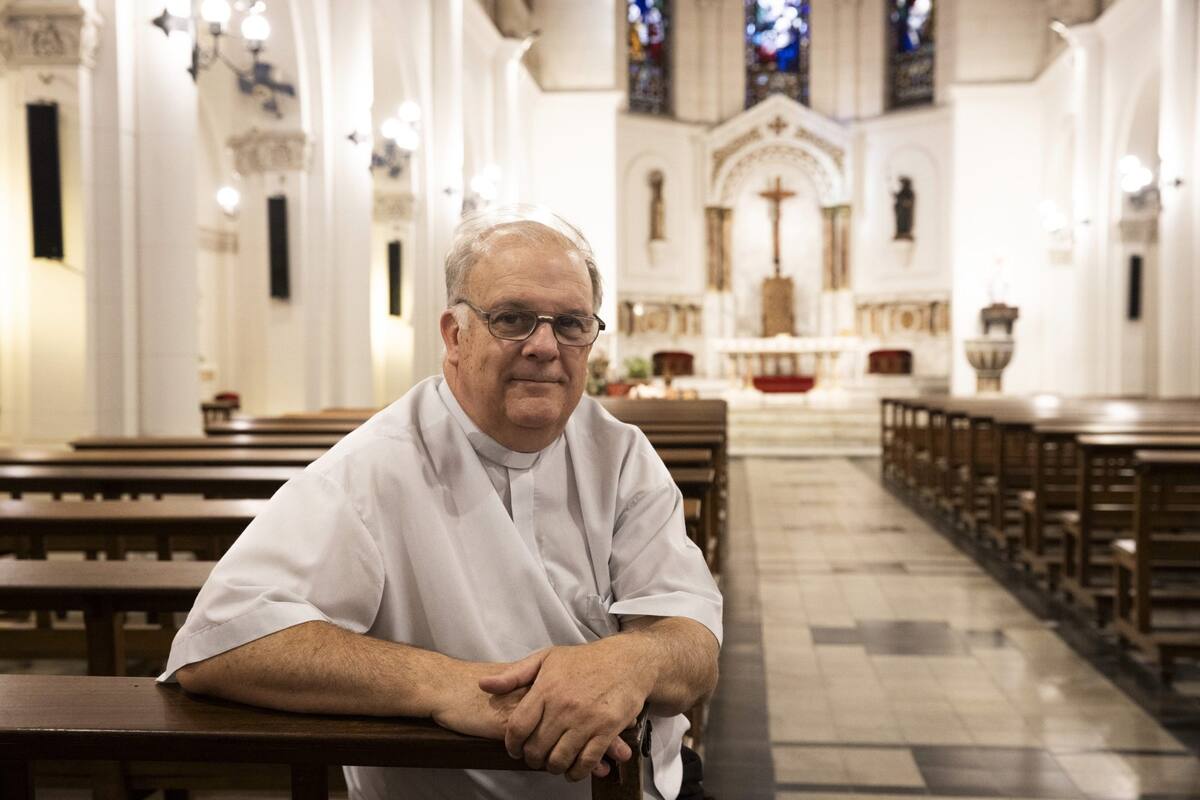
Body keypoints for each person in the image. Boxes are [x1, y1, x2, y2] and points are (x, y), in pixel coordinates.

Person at [160, 205, 723, 800]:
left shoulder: (621, 454)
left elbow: (695, 648)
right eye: (512, 318)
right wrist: (451, 686)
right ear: (455, 335)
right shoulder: (370, 469)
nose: (543, 345)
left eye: (570, 323)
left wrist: (633, 660)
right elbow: (222, 642)